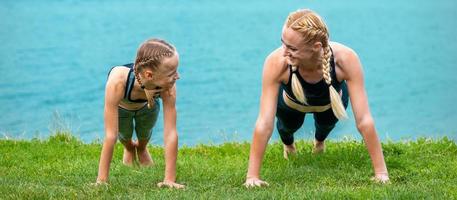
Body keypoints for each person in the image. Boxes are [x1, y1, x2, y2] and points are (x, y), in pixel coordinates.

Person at [244, 9, 389, 187]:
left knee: (325, 126)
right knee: (288, 128)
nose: (284, 52)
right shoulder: (275, 62)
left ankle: (319, 142)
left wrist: (381, 173)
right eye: (283, 44)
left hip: (329, 104)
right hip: (291, 105)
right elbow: (264, 123)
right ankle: (288, 145)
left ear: (317, 47)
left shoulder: (346, 59)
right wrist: (252, 177)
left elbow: (364, 120)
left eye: (292, 48)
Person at [95, 38, 184, 189]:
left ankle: (141, 148)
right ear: (149, 75)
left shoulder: (168, 87)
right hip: (123, 109)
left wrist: (169, 180)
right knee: (125, 135)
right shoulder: (118, 81)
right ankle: (129, 148)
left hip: (148, 107)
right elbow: (111, 135)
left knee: (144, 132)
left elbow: (170, 132)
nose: (178, 76)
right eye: (172, 73)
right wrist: (101, 181)